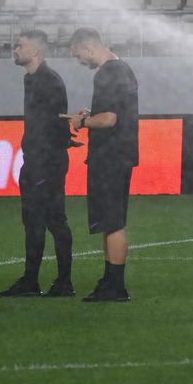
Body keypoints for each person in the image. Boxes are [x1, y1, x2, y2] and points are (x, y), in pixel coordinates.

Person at [62, 28, 139, 303]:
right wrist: (92, 115)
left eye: (78, 54)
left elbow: (109, 120)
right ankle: (109, 281)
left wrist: (82, 122)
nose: (79, 60)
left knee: (113, 222)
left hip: (110, 157)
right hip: (119, 156)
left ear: (89, 47)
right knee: (110, 222)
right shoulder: (123, 69)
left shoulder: (107, 72)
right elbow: (111, 114)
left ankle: (116, 287)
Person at [0, 32, 74, 299]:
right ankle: (37, 282)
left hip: (46, 163)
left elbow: (56, 122)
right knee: (38, 221)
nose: (15, 48)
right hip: (38, 161)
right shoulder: (33, 79)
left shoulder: (47, 81)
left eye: (21, 45)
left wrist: (49, 155)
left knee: (49, 220)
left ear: (36, 51)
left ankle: (60, 282)